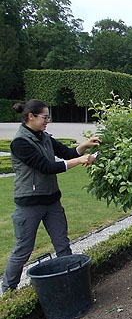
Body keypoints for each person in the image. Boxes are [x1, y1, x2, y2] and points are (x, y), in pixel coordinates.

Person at [2, 99, 99, 294]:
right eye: (45, 117)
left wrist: (85, 146)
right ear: (31, 116)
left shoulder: (44, 136)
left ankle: (70, 284)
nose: (48, 121)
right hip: (30, 204)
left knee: (62, 244)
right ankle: (8, 291)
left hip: (52, 200)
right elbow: (46, 167)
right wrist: (79, 160)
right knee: (23, 250)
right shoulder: (20, 143)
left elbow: (66, 152)